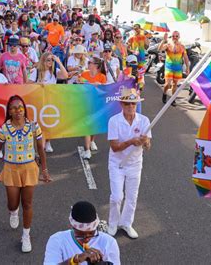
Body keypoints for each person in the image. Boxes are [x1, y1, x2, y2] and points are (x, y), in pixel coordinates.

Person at [0, 95, 52, 253]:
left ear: (24, 109)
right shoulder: (4, 128)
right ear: (9, 112)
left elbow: (40, 148)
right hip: (10, 169)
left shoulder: (33, 126)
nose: (17, 111)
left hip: (29, 168)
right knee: (13, 203)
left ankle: (26, 235)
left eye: (20, 108)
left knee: (27, 204)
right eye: (13, 108)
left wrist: (44, 169)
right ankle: (13, 212)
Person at [107, 88, 151, 239]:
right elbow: (114, 147)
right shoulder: (114, 121)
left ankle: (126, 223)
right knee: (117, 197)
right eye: (127, 104)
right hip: (117, 164)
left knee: (132, 197)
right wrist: (132, 141)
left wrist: (145, 142)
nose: (131, 107)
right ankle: (112, 223)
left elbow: (148, 146)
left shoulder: (144, 120)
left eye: (133, 103)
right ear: (121, 104)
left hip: (135, 164)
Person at [44, 201, 120, 265]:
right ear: (71, 226)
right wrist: (75, 260)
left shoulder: (109, 242)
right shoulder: (57, 240)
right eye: (80, 235)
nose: (87, 239)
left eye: (91, 233)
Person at [79, 57, 107, 160]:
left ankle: (92, 141)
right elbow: (79, 86)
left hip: (97, 103)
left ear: (96, 65)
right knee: (87, 126)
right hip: (85, 103)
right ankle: (87, 150)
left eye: (90, 62)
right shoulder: (84, 74)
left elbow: (105, 90)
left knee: (94, 126)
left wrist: (100, 85)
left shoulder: (102, 76)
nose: (88, 63)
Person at [158, 31, 190, 106]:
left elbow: (185, 58)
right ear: (171, 37)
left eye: (176, 36)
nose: (175, 37)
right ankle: (165, 93)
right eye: (173, 36)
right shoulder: (168, 45)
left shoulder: (182, 46)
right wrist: (163, 40)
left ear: (179, 37)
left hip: (178, 68)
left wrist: (187, 67)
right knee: (167, 84)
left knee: (175, 84)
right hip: (169, 67)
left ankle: (172, 99)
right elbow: (159, 49)